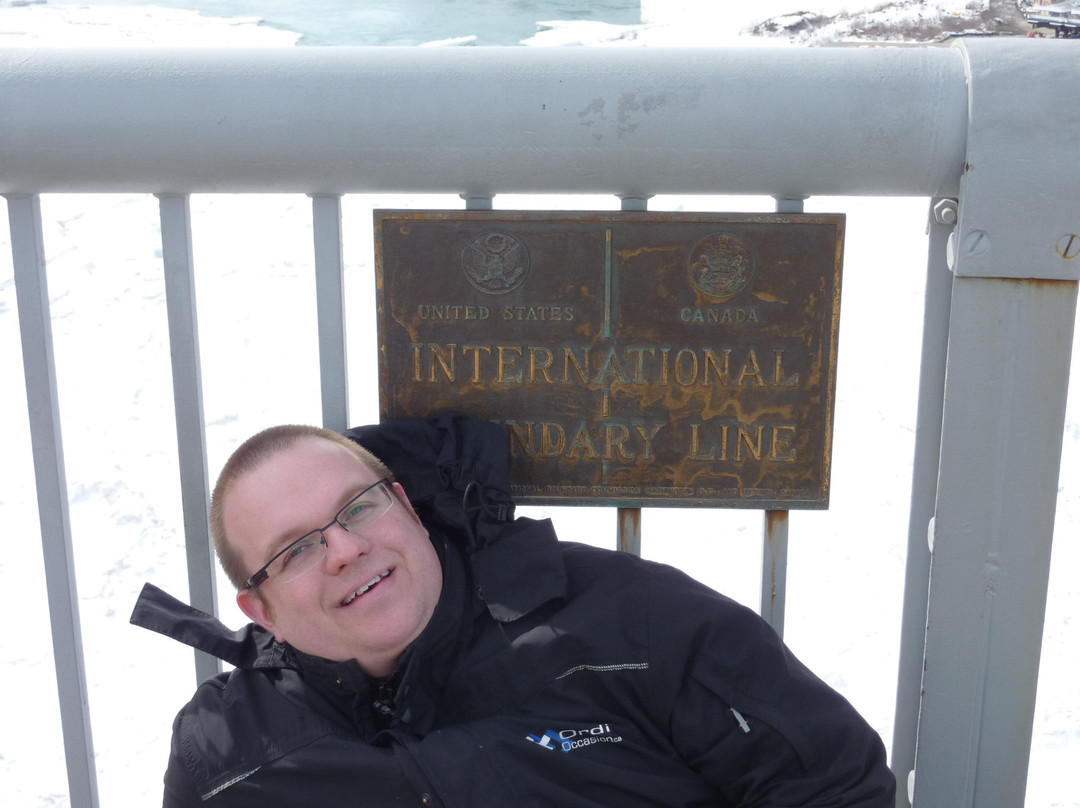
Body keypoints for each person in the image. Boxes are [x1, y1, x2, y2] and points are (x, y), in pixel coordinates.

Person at [132, 414, 895, 807]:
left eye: (357, 509)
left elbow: (832, 786)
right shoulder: (229, 760)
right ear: (257, 608)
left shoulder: (631, 625)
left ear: (404, 506)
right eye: (294, 549)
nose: (342, 551)